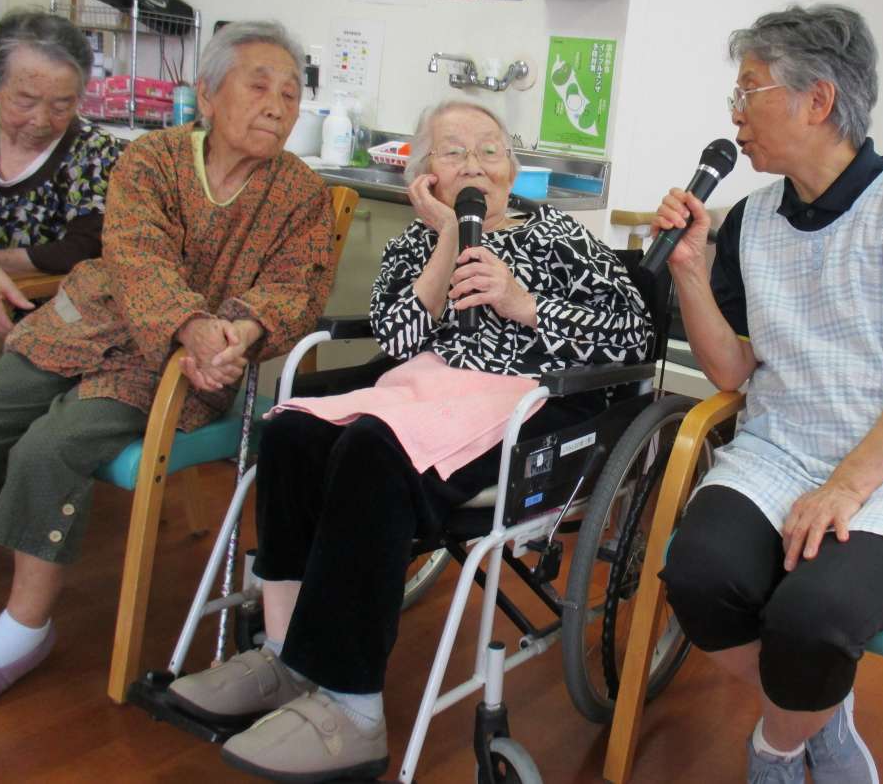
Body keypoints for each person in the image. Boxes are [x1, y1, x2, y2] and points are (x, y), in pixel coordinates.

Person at [165, 99, 651, 781]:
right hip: (423, 388)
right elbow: (396, 341)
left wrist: (523, 303)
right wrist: (448, 239)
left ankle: (352, 708)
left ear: (512, 168)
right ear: (425, 175)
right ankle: (283, 653)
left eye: (489, 150)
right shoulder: (414, 244)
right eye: (453, 152)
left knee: (371, 449)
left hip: (528, 400)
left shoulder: (561, 236)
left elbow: (633, 336)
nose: (475, 164)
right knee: (291, 430)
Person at [653, 5, 883, 783]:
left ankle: (776, 748)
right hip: (783, 452)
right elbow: (731, 371)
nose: (735, 115)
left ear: (818, 101)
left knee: (813, 614)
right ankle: (819, 713)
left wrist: (845, 487)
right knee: (699, 578)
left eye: (749, 92)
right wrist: (690, 270)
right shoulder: (752, 219)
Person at [0, 20, 336, 705]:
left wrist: (237, 332)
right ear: (206, 94)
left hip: (173, 369)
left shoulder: (302, 194)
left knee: (50, 446)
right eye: (259, 86)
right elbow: (135, 253)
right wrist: (191, 324)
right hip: (84, 324)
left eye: (291, 95)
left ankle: (24, 629)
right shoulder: (150, 158)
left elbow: (296, 289)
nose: (277, 106)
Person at [0, 11, 126, 339]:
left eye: (61, 106)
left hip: (47, 323)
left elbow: (85, 248)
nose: (41, 120)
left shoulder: (95, 150)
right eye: (25, 102)